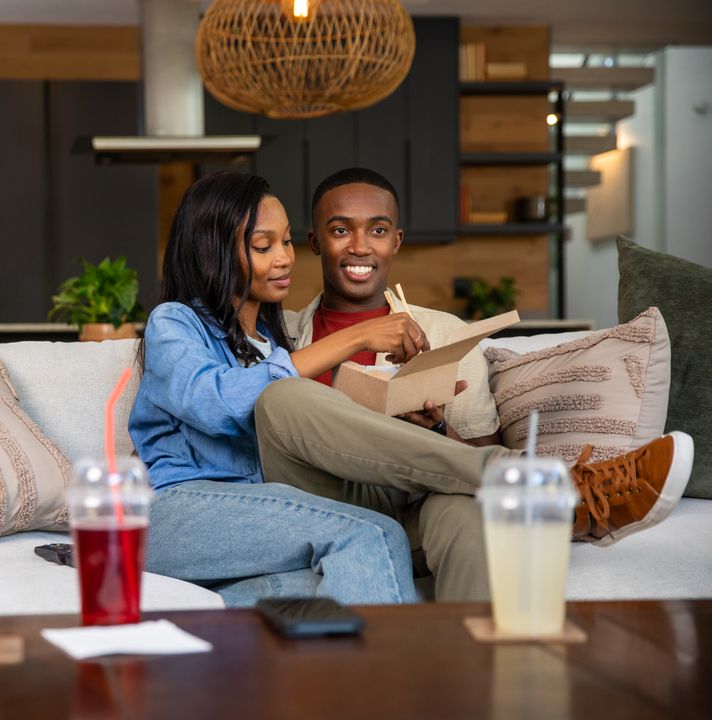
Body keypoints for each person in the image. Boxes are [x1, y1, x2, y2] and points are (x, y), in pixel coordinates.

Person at [261, 166, 693, 601]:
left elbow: (478, 450)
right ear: (314, 242)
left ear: (396, 241)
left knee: (466, 508)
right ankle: (548, 485)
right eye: (340, 230)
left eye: (377, 230)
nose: (359, 246)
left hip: (415, 507)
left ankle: (477, 664)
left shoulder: (447, 335)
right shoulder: (277, 336)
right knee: (285, 395)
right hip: (322, 505)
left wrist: (435, 430)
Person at [130, 171, 417, 607]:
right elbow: (218, 402)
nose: (284, 258)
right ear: (213, 252)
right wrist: (355, 338)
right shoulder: (174, 323)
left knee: (304, 592)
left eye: (286, 242)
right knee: (372, 533)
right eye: (263, 246)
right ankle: (385, 677)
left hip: (259, 514)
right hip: (178, 511)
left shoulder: (273, 341)